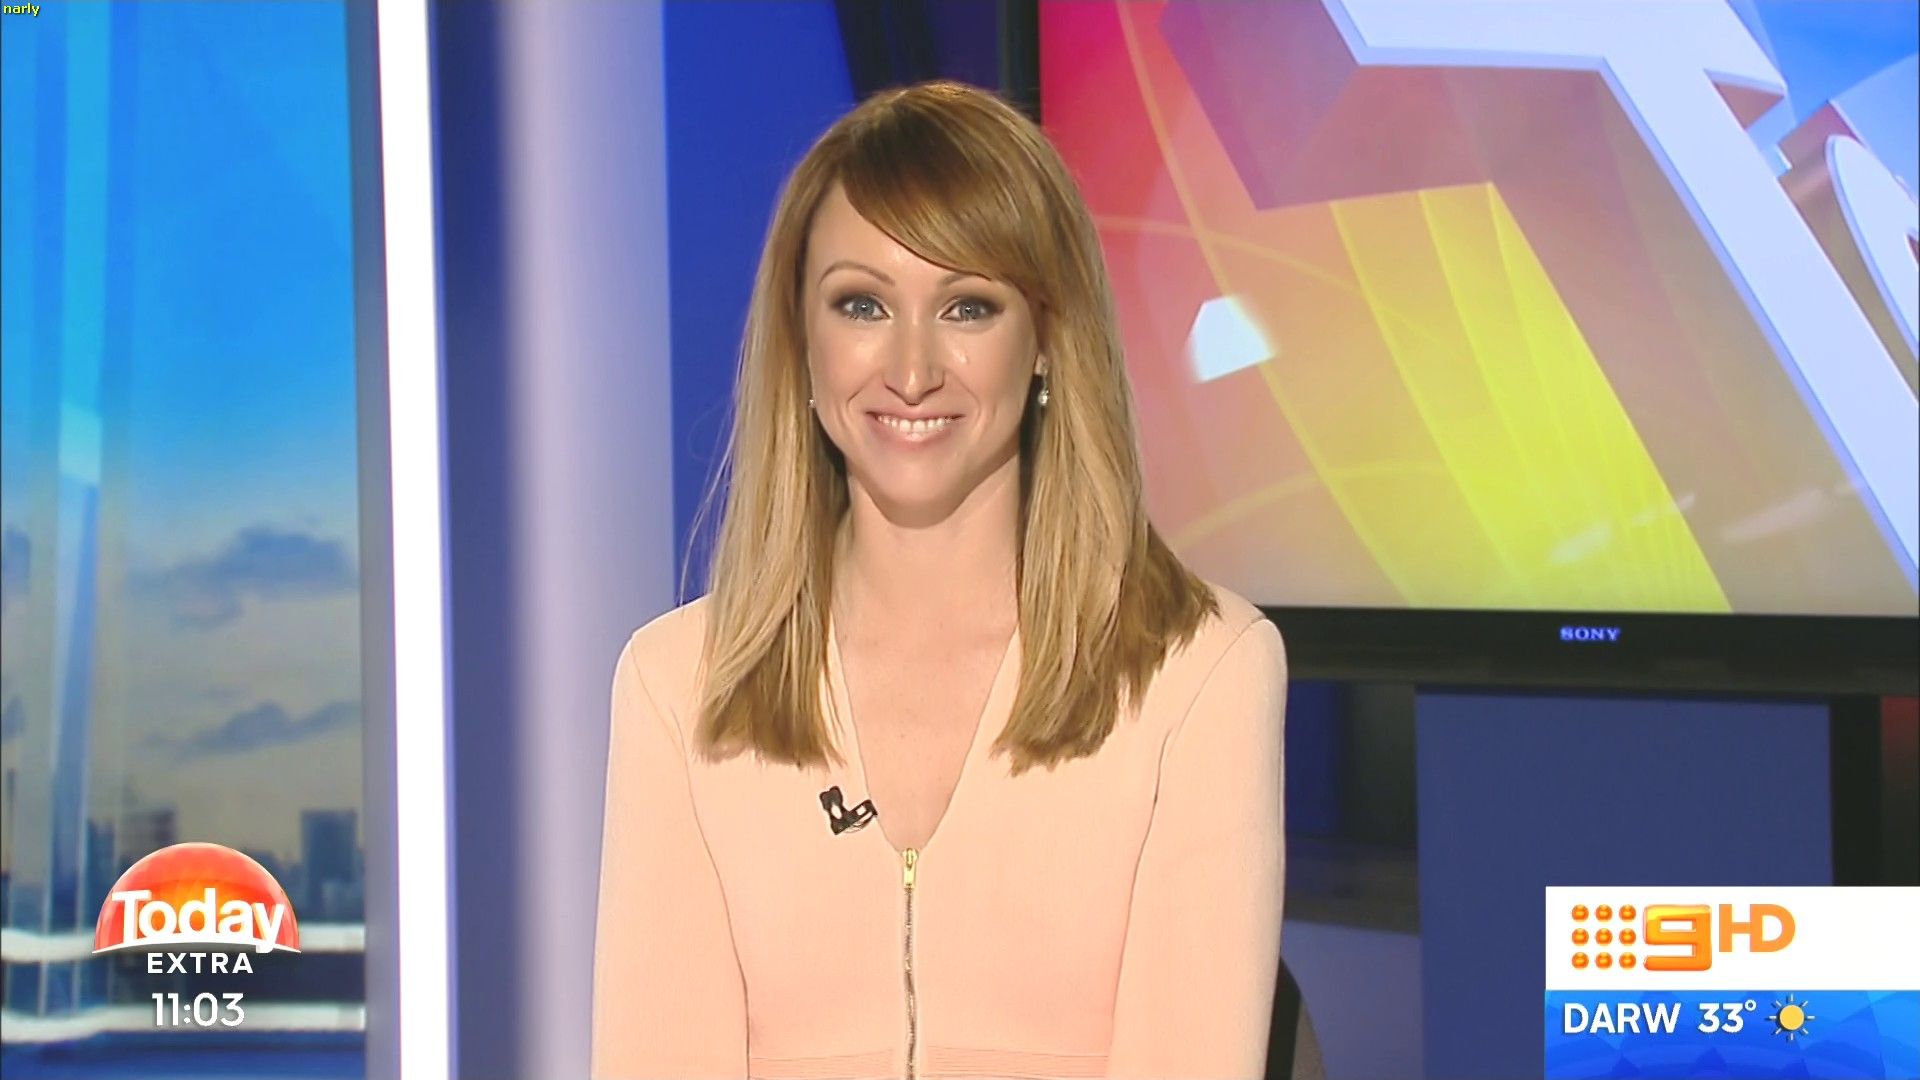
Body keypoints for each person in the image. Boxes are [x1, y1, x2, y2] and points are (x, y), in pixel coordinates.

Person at [591, 79, 1288, 1080]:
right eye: (862, 305)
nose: (911, 370)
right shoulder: (679, 686)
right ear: (802, 343)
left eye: (967, 307)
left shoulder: (1201, 674)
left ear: (1046, 339)